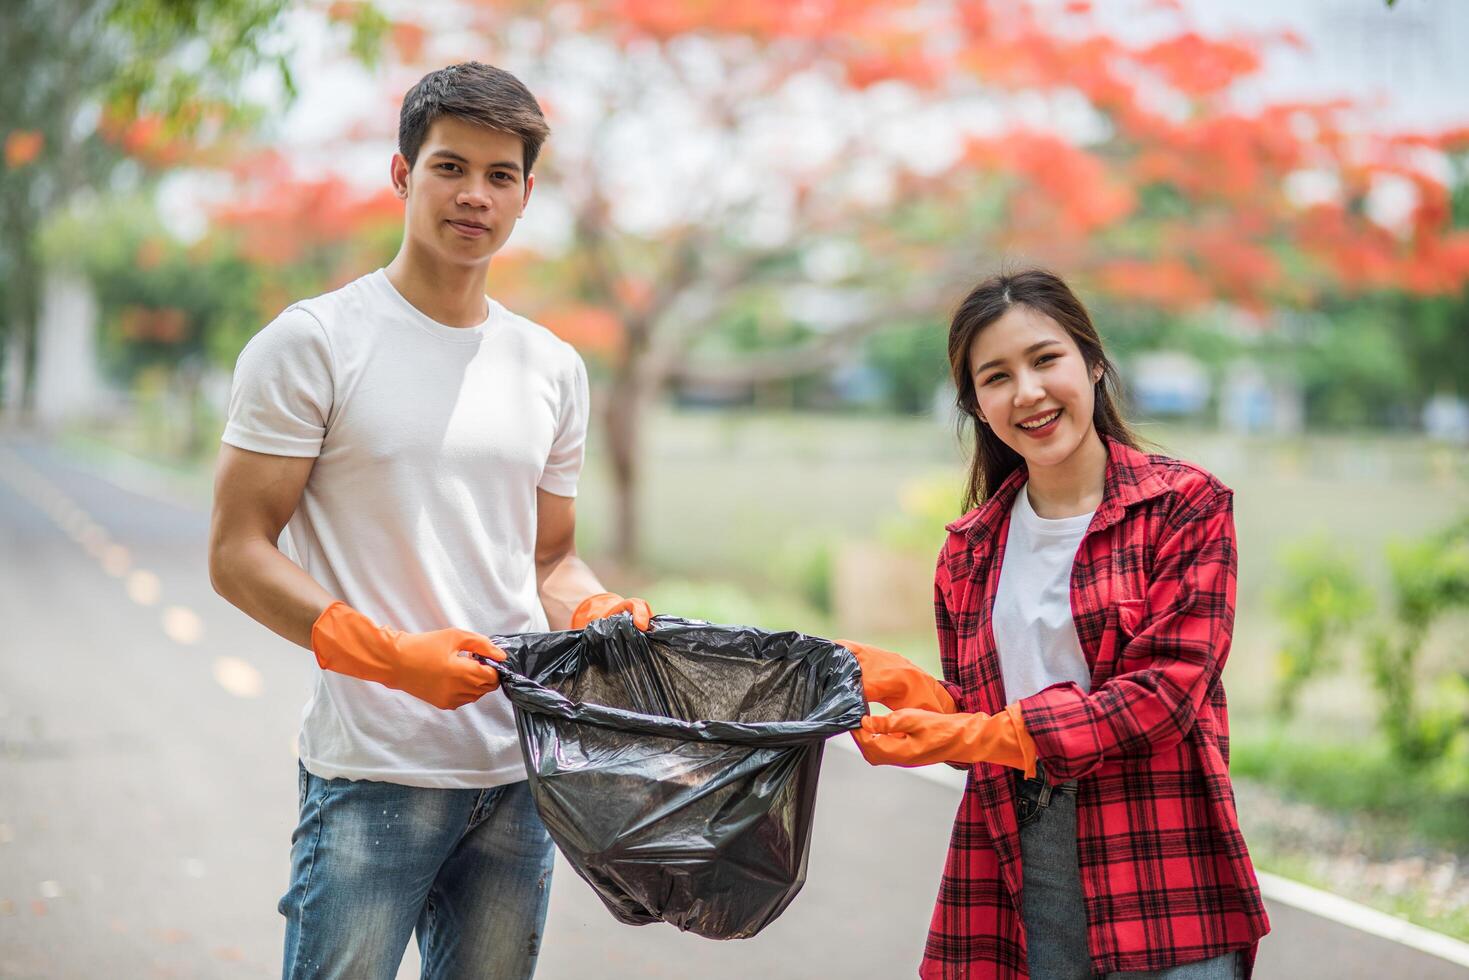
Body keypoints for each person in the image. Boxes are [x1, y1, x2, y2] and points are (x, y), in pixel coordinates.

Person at [207, 62, 652, 980]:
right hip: (374, 769)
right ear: (403, 174)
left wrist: (591, 606)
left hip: (518, 771)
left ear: (527, 194)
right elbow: (238, 552)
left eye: (499, 176)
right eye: (450, 167)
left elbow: (550, 559)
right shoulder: (314, 342)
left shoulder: (551, 366)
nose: (474, 195)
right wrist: (388, 656)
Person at [839, 269, 1270, 979]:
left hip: (1159, 866)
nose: (1028, 393)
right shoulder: (969, 549)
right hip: (1015, 863)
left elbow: (1164, 693)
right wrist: (921, 698)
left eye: (1045, 359)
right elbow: (978, 725)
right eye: (996, 376)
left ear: (1092, 363)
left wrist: (990, 731)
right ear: (976, 405)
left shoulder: (1183, 507)